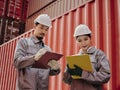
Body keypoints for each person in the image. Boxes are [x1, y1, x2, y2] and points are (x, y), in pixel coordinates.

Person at [14, 14, 60, 90]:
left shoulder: (47, 49)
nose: (43, 31)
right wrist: (34, 58)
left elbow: (48, 72)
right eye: (41, 27)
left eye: (46, 29)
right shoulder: (23, 42)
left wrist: (56, 69)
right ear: (35, 26)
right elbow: (16, 62)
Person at [63, 24, 111, 90]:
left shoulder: (99, 55)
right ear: (76, 41)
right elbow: (67, 81)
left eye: (85, 39)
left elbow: (105, 76)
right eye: (79, 40)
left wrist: (83, 73)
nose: (83, 43)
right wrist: (68, 72)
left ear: (90, 38)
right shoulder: (74, 59)